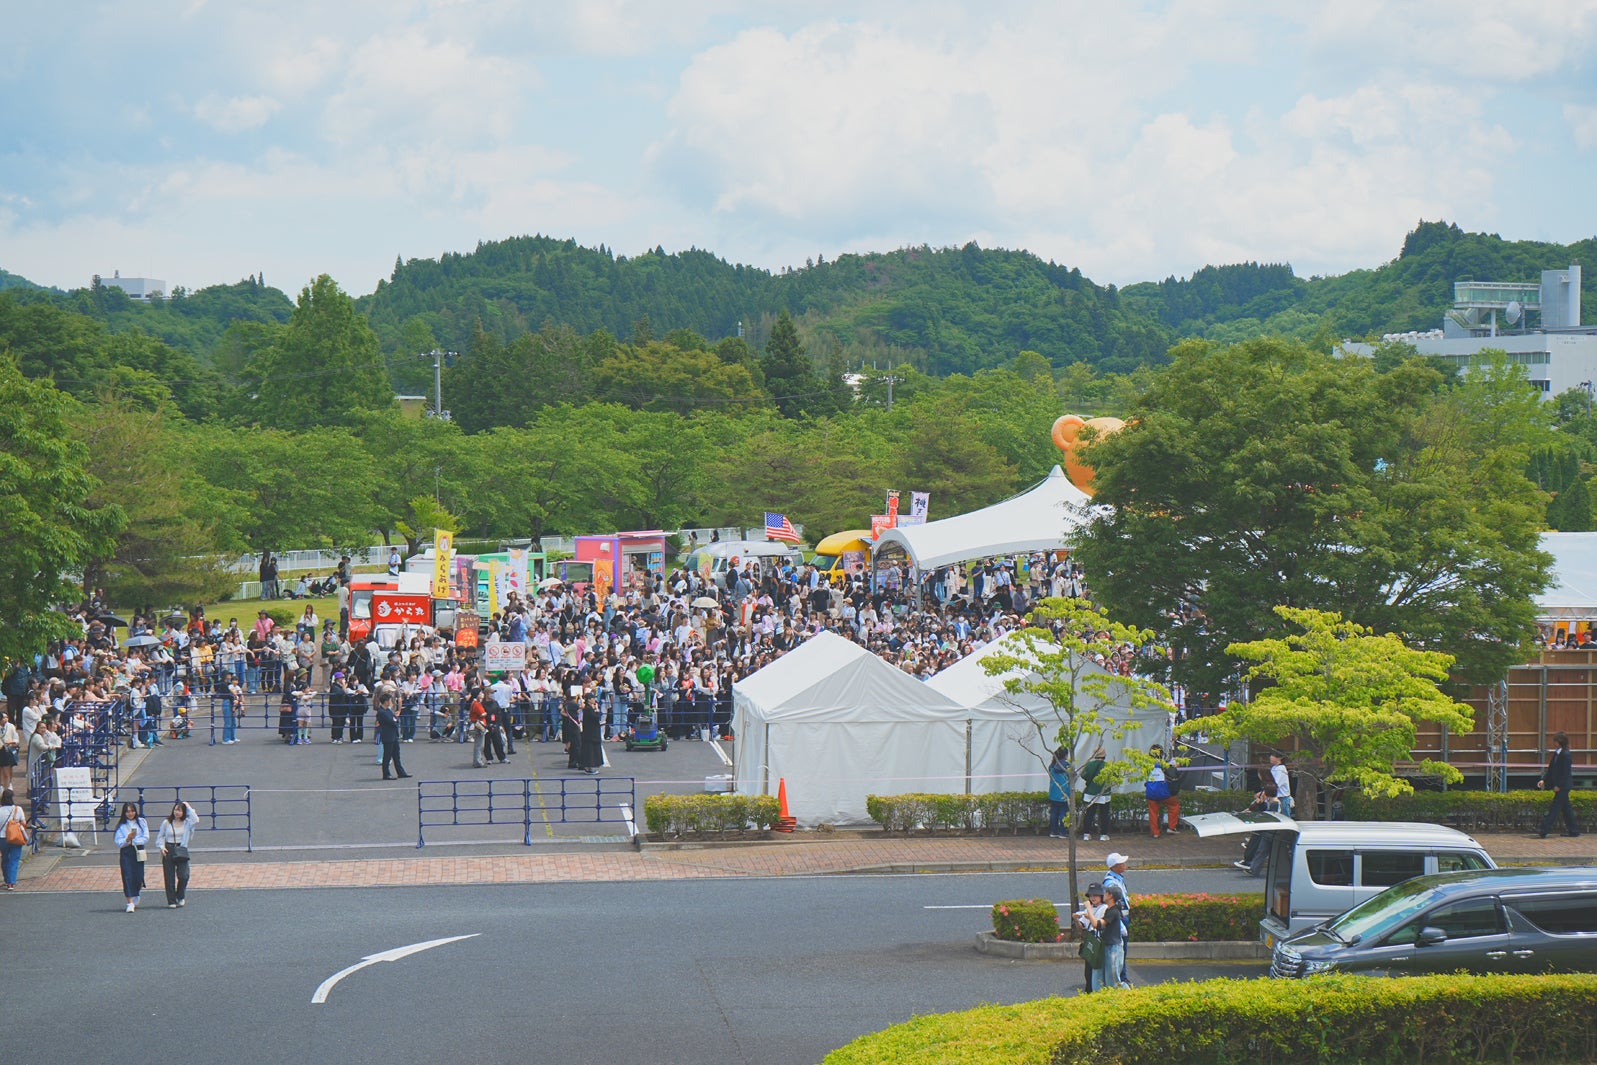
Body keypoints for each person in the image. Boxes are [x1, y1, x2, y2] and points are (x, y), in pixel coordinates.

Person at [1537, 731, 1581, 838]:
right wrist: (1544, 780)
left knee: (1554, 808)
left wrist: (1559, 786)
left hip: (1563, 786)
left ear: (1560, 742)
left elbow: (1565, 773)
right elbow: (1551, 769)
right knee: (1566, 809)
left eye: (1555, 741)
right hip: (1560, 785)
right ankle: (1574, 830)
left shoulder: (1565, 755)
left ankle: (1543, 830)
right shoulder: (1557, 754)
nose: (1554, 743)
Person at [157, 800, 198, 907]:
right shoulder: (166, 822)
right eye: (175, 810)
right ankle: (171, 901)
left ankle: (180, 896)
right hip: (169, 849)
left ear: (184, 812)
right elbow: (160, 836)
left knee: (184, 875)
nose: (177, 812)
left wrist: (187, 806)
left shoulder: (187, 822)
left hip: (181, 849)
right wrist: (162, 847)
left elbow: (196, 819)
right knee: (169, 877)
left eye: (180, 810)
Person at [1102, 852, 1132, 987]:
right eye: (1121, 863)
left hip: (1122, 916)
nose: (1124, 864)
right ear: (1114, 866)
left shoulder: (1117, 878)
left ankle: (1121, 976)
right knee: (1120, 948)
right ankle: (1121, 977)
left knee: (1123, 948)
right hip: (1119, 917)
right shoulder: (1111, 882)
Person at [114, 802, 149, 912]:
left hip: (138, 850)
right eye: (128, 811)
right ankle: (130, 902)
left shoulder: (141, 822)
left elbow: (146, 837)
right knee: (127, 875)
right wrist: (127, 839)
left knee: (138, 875)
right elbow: (118, 841)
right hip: (126, 852)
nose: (130, 814)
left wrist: (134, 840)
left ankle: (136, 892)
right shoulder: (121, 825)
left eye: (132, 811)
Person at [1143, 744, 1180, 839]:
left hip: (1151, 792)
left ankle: (1155, 832)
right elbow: (1172, 773)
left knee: (1153, 812)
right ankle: (1171, 827)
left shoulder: (1146, 764)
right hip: (1163, 792)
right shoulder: (1164, 763)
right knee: (1174, 806)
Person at [1080, 745, 1111, 841]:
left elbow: (1083, 775)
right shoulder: (1108, 766)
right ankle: (1103, 835)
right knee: (1104, 815)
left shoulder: (1089, 765)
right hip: (1104, 793)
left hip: (1090, 792)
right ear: (1104, 756)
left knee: (1089, 814)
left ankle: (1086, 834)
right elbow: (1114, 777)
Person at [376, 694, 408, 780]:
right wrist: (395, 721)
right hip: (387, 736)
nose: (391, 702)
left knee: (396, 755)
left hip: (393, 735)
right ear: (386, 701)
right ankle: (386, 774)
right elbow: (391, 721)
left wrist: (395, 720)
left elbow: (395, 719)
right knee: (387, 756)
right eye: (390, 700)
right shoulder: (381, 712)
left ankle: (401, 772)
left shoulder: (388, 710)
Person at [0, 788, 25, 889]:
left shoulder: (0, 810)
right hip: (16, 837)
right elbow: (23, 823)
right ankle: (11, 882)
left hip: (2, 838)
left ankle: (7, 879)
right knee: (14, 859)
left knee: (5, 858)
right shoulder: (18, 809)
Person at [1046, 747, 1070, 839]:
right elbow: (1073, 776)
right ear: (1065, 755)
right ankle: (1062, 833)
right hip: (1064, 793)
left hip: (1053, 792)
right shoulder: (1067, 766)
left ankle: (1053, 832)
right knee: (1063, 813)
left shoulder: (1051, 765)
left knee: (1054, 813)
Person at [1268, 752, 1293, 818]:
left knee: (1284, 818)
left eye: (1273, 755)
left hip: (1282, 798)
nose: (1270, 757)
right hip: (1275, 797)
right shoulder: (1274, 768)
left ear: (1279, 758)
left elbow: (1276, 784)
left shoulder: (1281, 768)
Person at [0, 711, 19, 793]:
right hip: (1, 750)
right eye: (3, 718)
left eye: (6, 717)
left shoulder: (11, 726)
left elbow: (16, 738)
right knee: (1, 770)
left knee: (8, 770)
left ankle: (7, 787)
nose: (5, 719)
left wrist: (12, 742)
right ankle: (1, 786)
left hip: (8, 751)